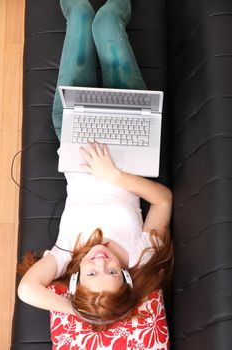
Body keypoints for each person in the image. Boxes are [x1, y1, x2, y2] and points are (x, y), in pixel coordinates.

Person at [18, 0, 173, 332]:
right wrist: (115, 176)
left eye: (91, 274)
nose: (101, 262)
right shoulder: (139, 256)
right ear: (127, 275)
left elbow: (27, 290)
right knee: (105, 22)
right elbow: (163, 200)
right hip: (129, 134)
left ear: (74, 282)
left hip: (76, 129)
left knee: (82, 15)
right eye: (113, 273)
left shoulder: (62, 255)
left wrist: (83, 313)